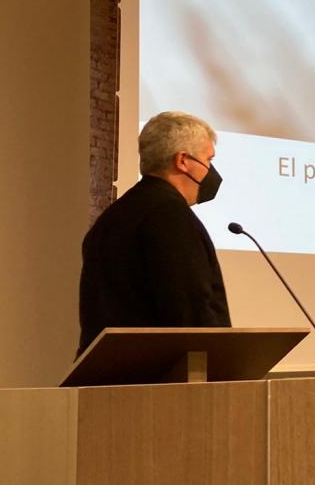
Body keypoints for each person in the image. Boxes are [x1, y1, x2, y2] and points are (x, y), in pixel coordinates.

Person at [77, 111, 230, 354]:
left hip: (109, 375)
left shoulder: (112, 217)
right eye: (208, 160)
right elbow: (192, 316)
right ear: (183, 161)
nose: (210, 170)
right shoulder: (170, 216)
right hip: (161, 380)